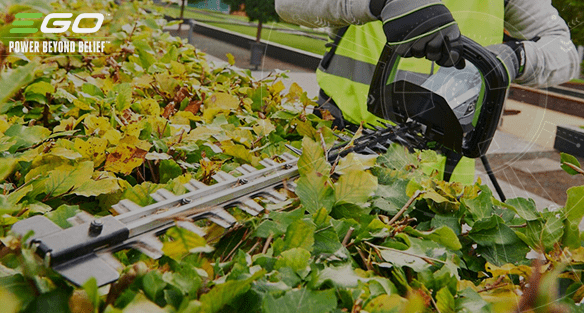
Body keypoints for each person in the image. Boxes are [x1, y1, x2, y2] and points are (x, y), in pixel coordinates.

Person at [275, 0, 581, 183]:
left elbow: (564, 51)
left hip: (442, 177)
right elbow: (287, 4)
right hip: (336, 145)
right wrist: (379, 3)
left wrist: (517, 57)